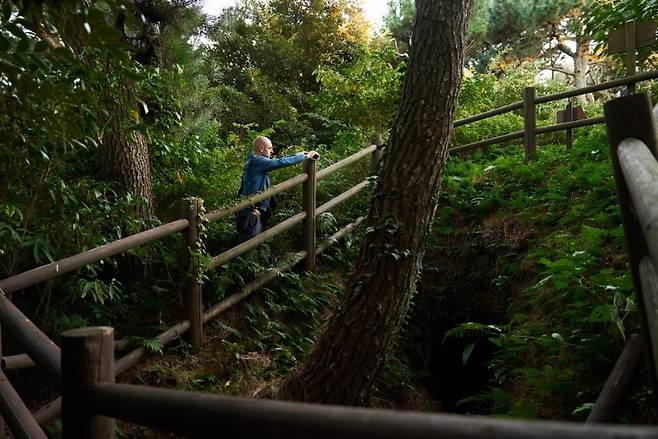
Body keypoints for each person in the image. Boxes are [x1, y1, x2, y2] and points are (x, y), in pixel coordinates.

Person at [236, 136, 318, 243]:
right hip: (250, 214)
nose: (272, 151)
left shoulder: (252, 159)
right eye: (269, 148)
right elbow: (280, 162)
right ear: (261, 148)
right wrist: (306, 157)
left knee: (248, 245)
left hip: (247, 211)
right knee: (248, 248)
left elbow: (279, 160)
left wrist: (300, 155)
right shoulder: (259, 162)